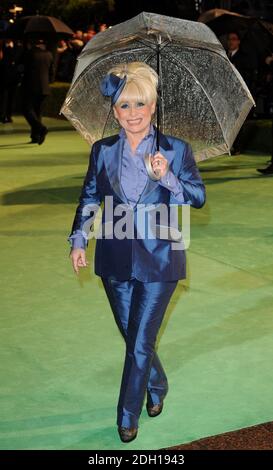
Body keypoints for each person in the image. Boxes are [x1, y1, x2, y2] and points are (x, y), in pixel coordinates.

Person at [67, 62, 206, 442]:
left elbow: (198, 197)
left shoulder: (175, 150)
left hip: (161, 258)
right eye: (125, 106)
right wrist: (79, 239)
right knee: (135, 338)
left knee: (140, 341)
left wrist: (169, 178)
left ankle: (127, 416)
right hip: (113, 258)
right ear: (114, 111)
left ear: (153, 106)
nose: (133, 114)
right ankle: (157, 384)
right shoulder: (102, 150)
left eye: (140, 104)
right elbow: (91, 198)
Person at [226, 31, 258, 155]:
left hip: (239, 95)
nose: (231, 41)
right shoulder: (226, 55)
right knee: (229, 121)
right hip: (227, 94)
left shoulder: (244, 57)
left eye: (233, 39)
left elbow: (248, 75)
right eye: (229, 39)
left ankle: (238, 147)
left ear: (238, 41)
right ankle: (231, 146)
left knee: (239, 122)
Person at [21, 39, 54, 145]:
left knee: (27, 109)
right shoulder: (49, 54)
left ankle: (40, 128)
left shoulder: (30, 53)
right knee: (38, 111)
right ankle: (36, 136)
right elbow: (51, 72)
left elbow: (23, 69)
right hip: (44, 87)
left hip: (31, 86)